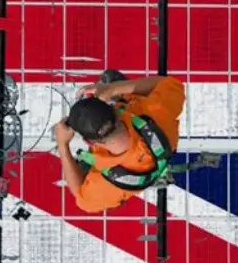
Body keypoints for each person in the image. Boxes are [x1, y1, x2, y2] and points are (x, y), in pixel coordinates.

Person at [50, 71, 221, 213]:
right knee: (112, 77)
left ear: (89, 142)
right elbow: (171, 84)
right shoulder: (155, 113)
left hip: (150, 161)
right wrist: (112, 88)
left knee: (78, 171)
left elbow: (82, 200)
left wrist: (63, 145)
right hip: (154, 145)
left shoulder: (105, 185)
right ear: (114, 110)